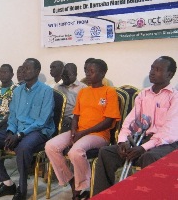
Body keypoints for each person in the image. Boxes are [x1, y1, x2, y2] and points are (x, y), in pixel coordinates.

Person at [93, 56, 178, 195]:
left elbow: (169, 132)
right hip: (142, 140)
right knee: (106, 152)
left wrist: (143, 148)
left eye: (158, 69)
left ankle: (144, 195)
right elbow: (130, 121)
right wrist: (123, 141)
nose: (152, 72)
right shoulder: (143, 94)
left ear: (170, 74)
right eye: (152, 68)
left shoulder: (174, 97)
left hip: (166, 144)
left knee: (149, 157)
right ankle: (102, 196)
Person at [0, 58, 55, 200]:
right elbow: (12, 116)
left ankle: (22, 190)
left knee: (23, 148)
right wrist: (10, 131)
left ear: (37, 71)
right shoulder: (18, 91)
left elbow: (42, 121)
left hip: (38, 132)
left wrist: (19, 135)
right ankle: (7, 184)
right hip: (17, 131)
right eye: (23, 68)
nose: (24, 71)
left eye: (27, 68)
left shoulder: (46, 91)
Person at [45, 59, 120, 199]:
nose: (88, 73)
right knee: (50, 146)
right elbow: (76, 115)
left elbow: (109, 120)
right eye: (86, 71)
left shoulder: (109, 92)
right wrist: (74, 131)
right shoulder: (83, 91)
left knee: (75, 151)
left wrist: (83, 133)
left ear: (103, 73)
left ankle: (83, 188)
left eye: (92, 71)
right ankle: (72, 181)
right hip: (80, 131)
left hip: (99, 135)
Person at [54, 63, 87, 133]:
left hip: (72, 119)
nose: (64, 78)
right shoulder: (57, 87)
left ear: (75, 74)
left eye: (67, 75)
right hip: (57, 116)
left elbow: (84, 109)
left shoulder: (83, 88)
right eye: (63, 75)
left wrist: (71, 118)